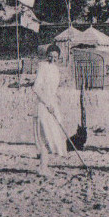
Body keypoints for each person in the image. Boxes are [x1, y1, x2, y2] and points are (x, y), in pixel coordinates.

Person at [32, 46, 67, 174]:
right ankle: (42, 167)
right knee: (44, 137)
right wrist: (47, 103)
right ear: (47, 55)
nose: (53, 59)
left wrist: (55, 100)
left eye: (56, 57)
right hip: (43, 106)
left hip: (53, 106)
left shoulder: (56, 70)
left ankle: (44, 166)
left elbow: (54, 89)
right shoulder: (43, 66)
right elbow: (36, 88)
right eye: (50, 56)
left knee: (52, 137)